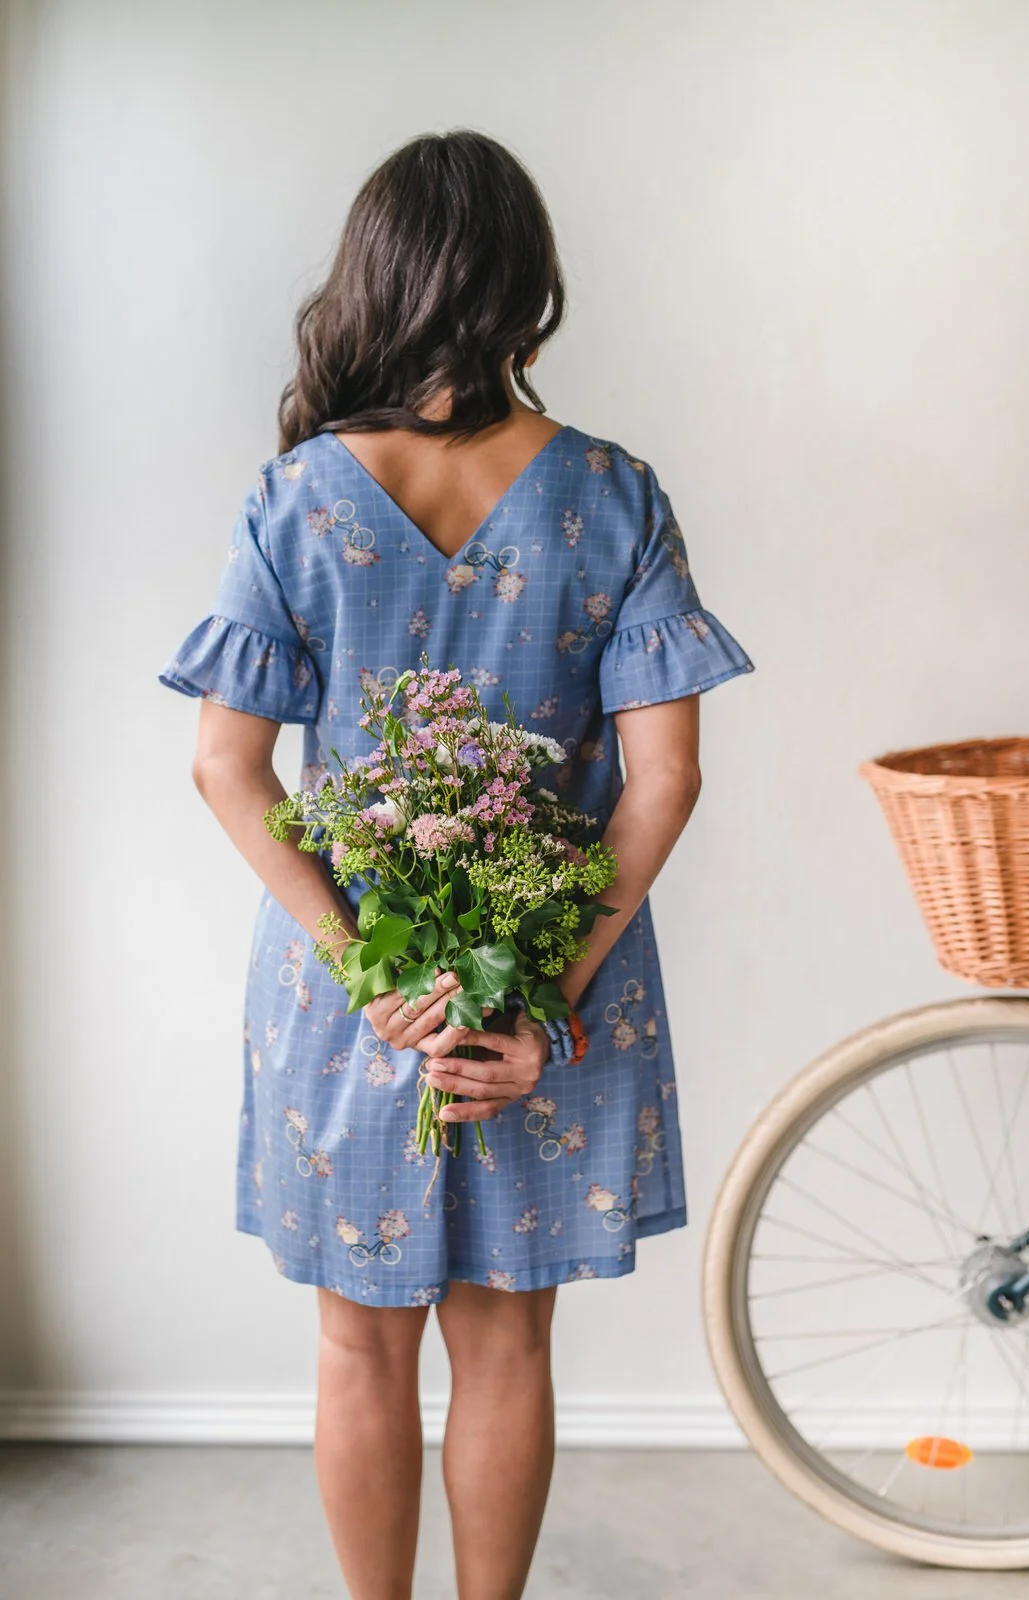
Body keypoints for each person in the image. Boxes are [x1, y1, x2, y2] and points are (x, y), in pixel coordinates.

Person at [158, 128, 753, 1600]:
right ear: (526, 292)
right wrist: (537, 995)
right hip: (554, 995)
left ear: (375, 280)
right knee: (510, 1340)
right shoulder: (610, 490)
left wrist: (369, 966)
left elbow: (225, 767)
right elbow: (665, 783)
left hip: (353, 999)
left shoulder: (296, 495)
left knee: (357, 1343)